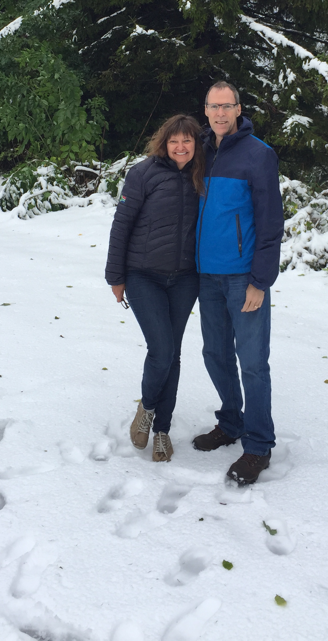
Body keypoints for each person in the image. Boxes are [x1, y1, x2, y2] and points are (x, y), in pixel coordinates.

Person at [192, 81, 284, 485]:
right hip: (205, 276)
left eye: (227, 106)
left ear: (239, 109)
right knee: (215, 353)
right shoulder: (199, 151)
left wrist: (260, 281)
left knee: (252, 362)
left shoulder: (258, 154)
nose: (220, 113)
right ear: (206, 110)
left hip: (242, 277)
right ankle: (230, 422)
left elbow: (270, 222)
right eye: (214, 106)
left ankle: (259, 445)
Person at [105, 115, 204, 462]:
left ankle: (162, 429)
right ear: (164, 143)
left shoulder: (202, 175)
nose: (181, 147)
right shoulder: (143, 174)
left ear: (196, 144)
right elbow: (122, 224)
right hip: (143, 275)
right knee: (161, 349)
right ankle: (146, 408)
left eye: (187, 141)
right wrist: (115, 277)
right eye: (174, 141)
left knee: (173, 354)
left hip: (186, 278)